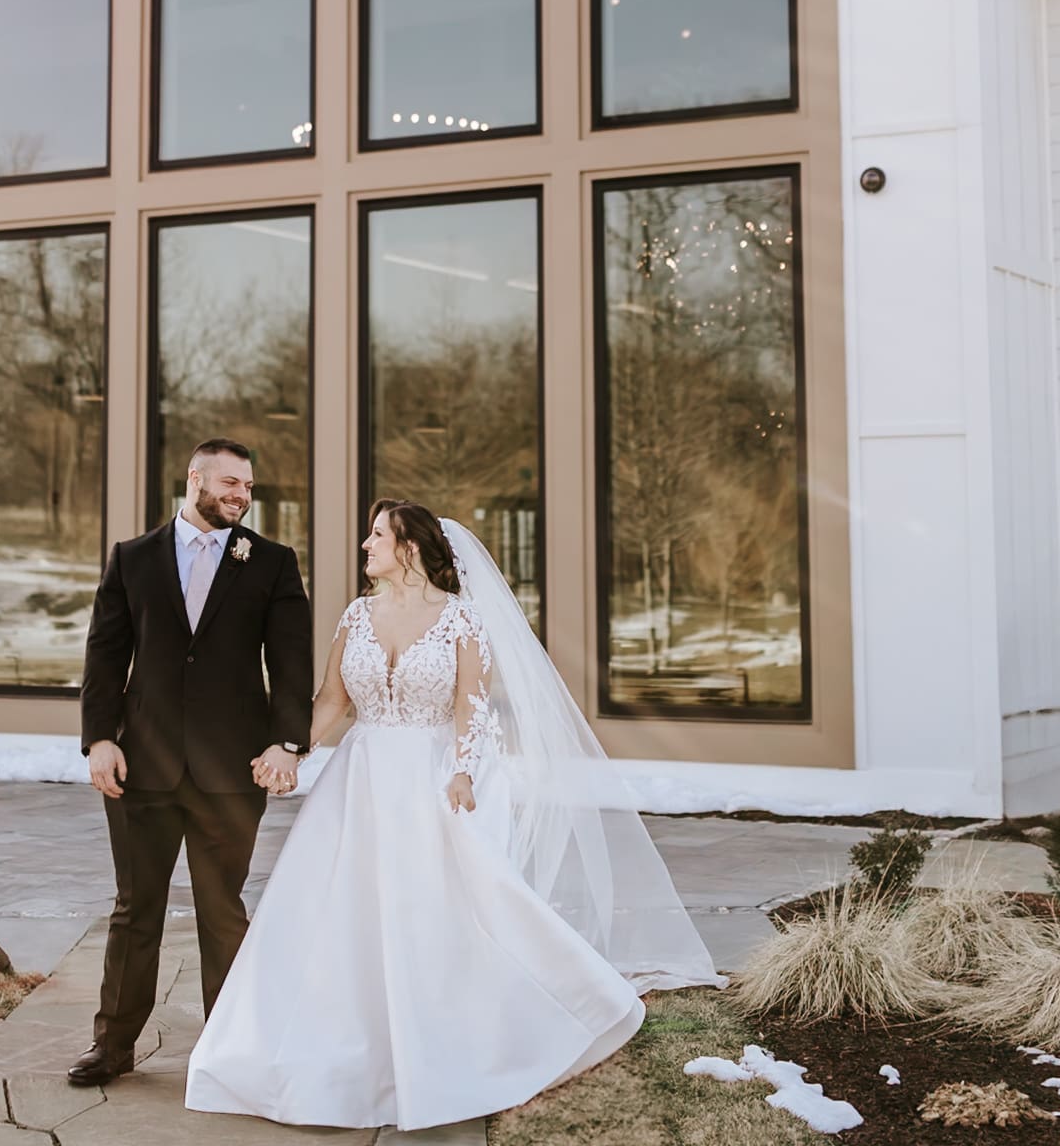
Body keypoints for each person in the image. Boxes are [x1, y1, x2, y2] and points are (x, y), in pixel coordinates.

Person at [185, 501, 722, 1130]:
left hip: (429, 782)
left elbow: (473, 706)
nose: (365, 544)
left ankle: (504, 1026)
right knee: (335, 912)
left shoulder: (461, 621)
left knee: (433, 911)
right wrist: (290, 751)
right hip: (358, 783)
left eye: (377, 535)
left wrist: (464, 771)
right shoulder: (356, 615)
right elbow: (333, 702)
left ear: (409, 549)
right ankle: (331, 1055)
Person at [67, 438, 312, 1087]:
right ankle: (112, 1047)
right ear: (194, 478)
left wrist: (286, 742)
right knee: (134, 910)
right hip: (139, 768)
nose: (240, 496)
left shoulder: (272, 563)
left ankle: (230, 1051)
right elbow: (103, 655)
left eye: (248, 487)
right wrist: (99, 738)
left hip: (230, 774)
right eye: (230, 483)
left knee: (221, 910)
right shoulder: (133, 559)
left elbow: (291, 666)